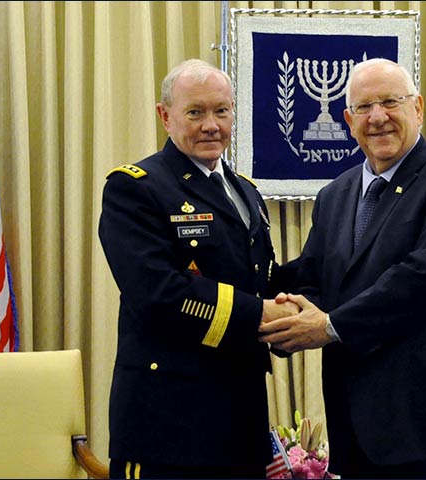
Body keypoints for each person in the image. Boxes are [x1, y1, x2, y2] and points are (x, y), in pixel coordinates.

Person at [259, 58, 426, 479]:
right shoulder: (335, 194)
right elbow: (314, 277)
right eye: (364, 107)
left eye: (390, 102)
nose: (378, 117)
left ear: (417, 108)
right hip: (360, 430)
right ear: (348, 120)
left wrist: (328, 326)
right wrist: (251, 295)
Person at [98, 59, 296, 479]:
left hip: (240, 419)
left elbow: (261, 279)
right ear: (165, 116)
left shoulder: (246, 191)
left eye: (221, 111)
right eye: (196, 112)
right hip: (168, 426)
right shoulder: (135, 188)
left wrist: (312, 295)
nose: (211, 125)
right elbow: (158, 294)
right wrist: (264, 315)